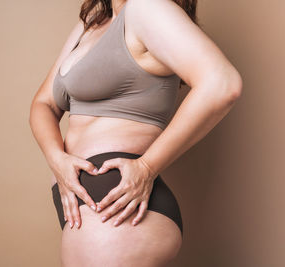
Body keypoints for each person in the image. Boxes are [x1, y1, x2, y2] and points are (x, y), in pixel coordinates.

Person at [29, 0, 242, 266]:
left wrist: (146, 167)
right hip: (89, 203)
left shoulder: (147, 7)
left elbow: (223, 83)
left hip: (116, 203)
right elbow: (44, 104)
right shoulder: (94, 21)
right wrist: (56, 159)